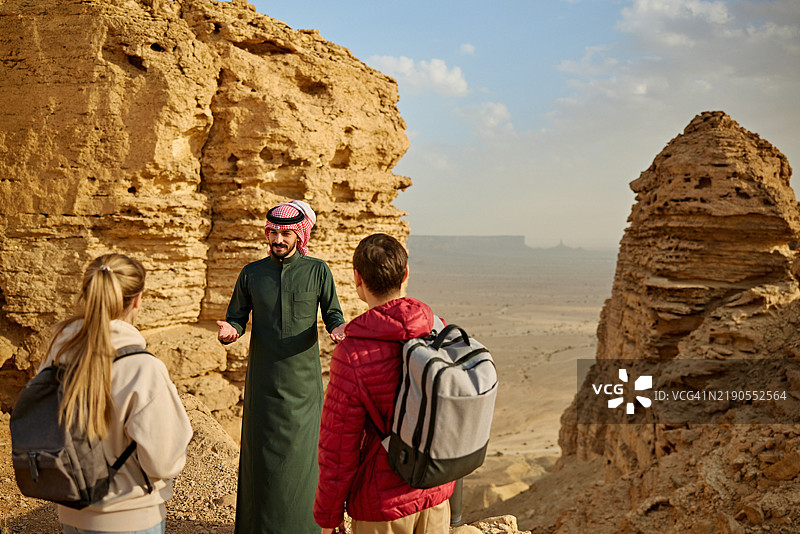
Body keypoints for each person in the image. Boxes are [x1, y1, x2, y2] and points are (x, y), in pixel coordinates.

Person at [216, 200, 347, 533]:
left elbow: (333, 313)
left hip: (304, 390)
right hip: (263, 385)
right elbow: (236, 316)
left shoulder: (318, 271)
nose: (278, 239)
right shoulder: (252, 273)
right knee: (263, 461)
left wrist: (337, 328)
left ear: (299, 235)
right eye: (273, 232)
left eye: (285, 233)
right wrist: (232, 330)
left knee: (302, 463)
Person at [38, 253, 192, 534]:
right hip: (130, 518)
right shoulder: (143, 368)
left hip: (71, 513)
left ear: (87, 293)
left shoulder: (58, 352)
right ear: (138, 300)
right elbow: (164, 461)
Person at [314, 233, 455, 534]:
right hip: (436, 494)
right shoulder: (436, 328)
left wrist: (328, 517)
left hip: (382, 507)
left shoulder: (352, 353)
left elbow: (339, 448)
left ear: (358, 280)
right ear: (405, 275)